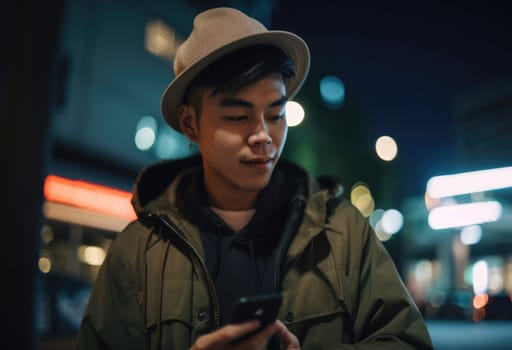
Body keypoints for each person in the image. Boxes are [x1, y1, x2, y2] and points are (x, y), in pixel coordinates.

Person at [76, 7, 434, 350]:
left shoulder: (342, 232)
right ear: (190, 123)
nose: (263, 135)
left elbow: (408, 341)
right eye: (237, 117)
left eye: (276, 115)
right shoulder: (138, 252)